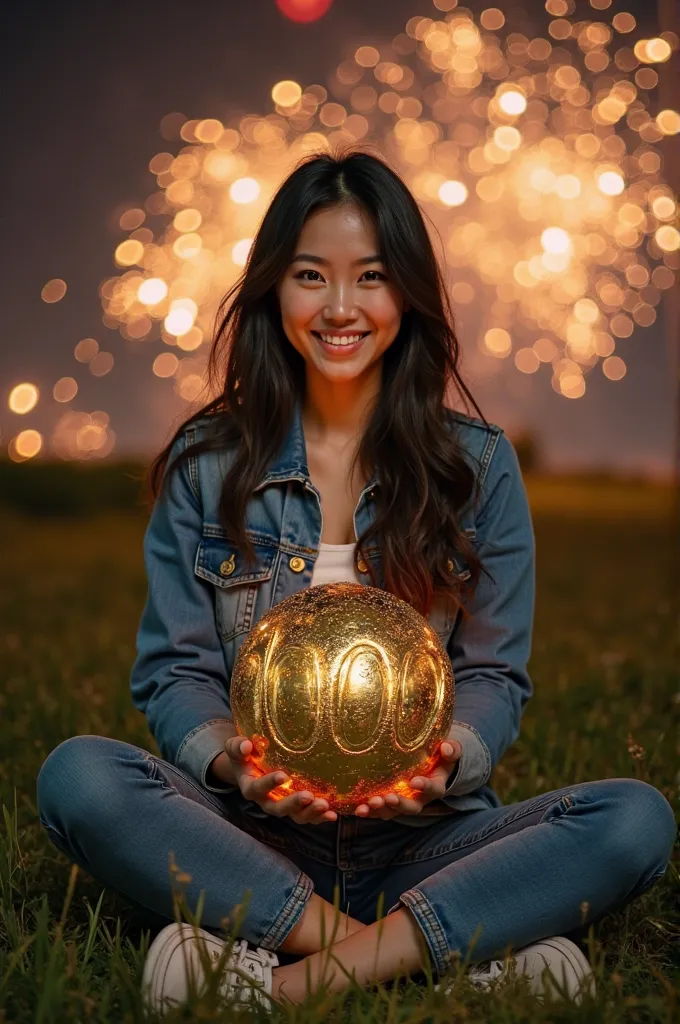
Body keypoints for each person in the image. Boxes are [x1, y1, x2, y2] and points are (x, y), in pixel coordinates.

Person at [36, 148, 676, 1015]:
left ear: (406, 292)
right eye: (311, 276)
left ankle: (279, 974)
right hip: (252, 838)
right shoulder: (206, 467)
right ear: (274, 290)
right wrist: (233, 761)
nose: (341, 309)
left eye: (370, 276)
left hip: (428, 839)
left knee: (637, 819)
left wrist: (448, 760)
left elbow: (493, 677)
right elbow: (174, 671)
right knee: (80, 778)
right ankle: (440, 948)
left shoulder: (476, 469)